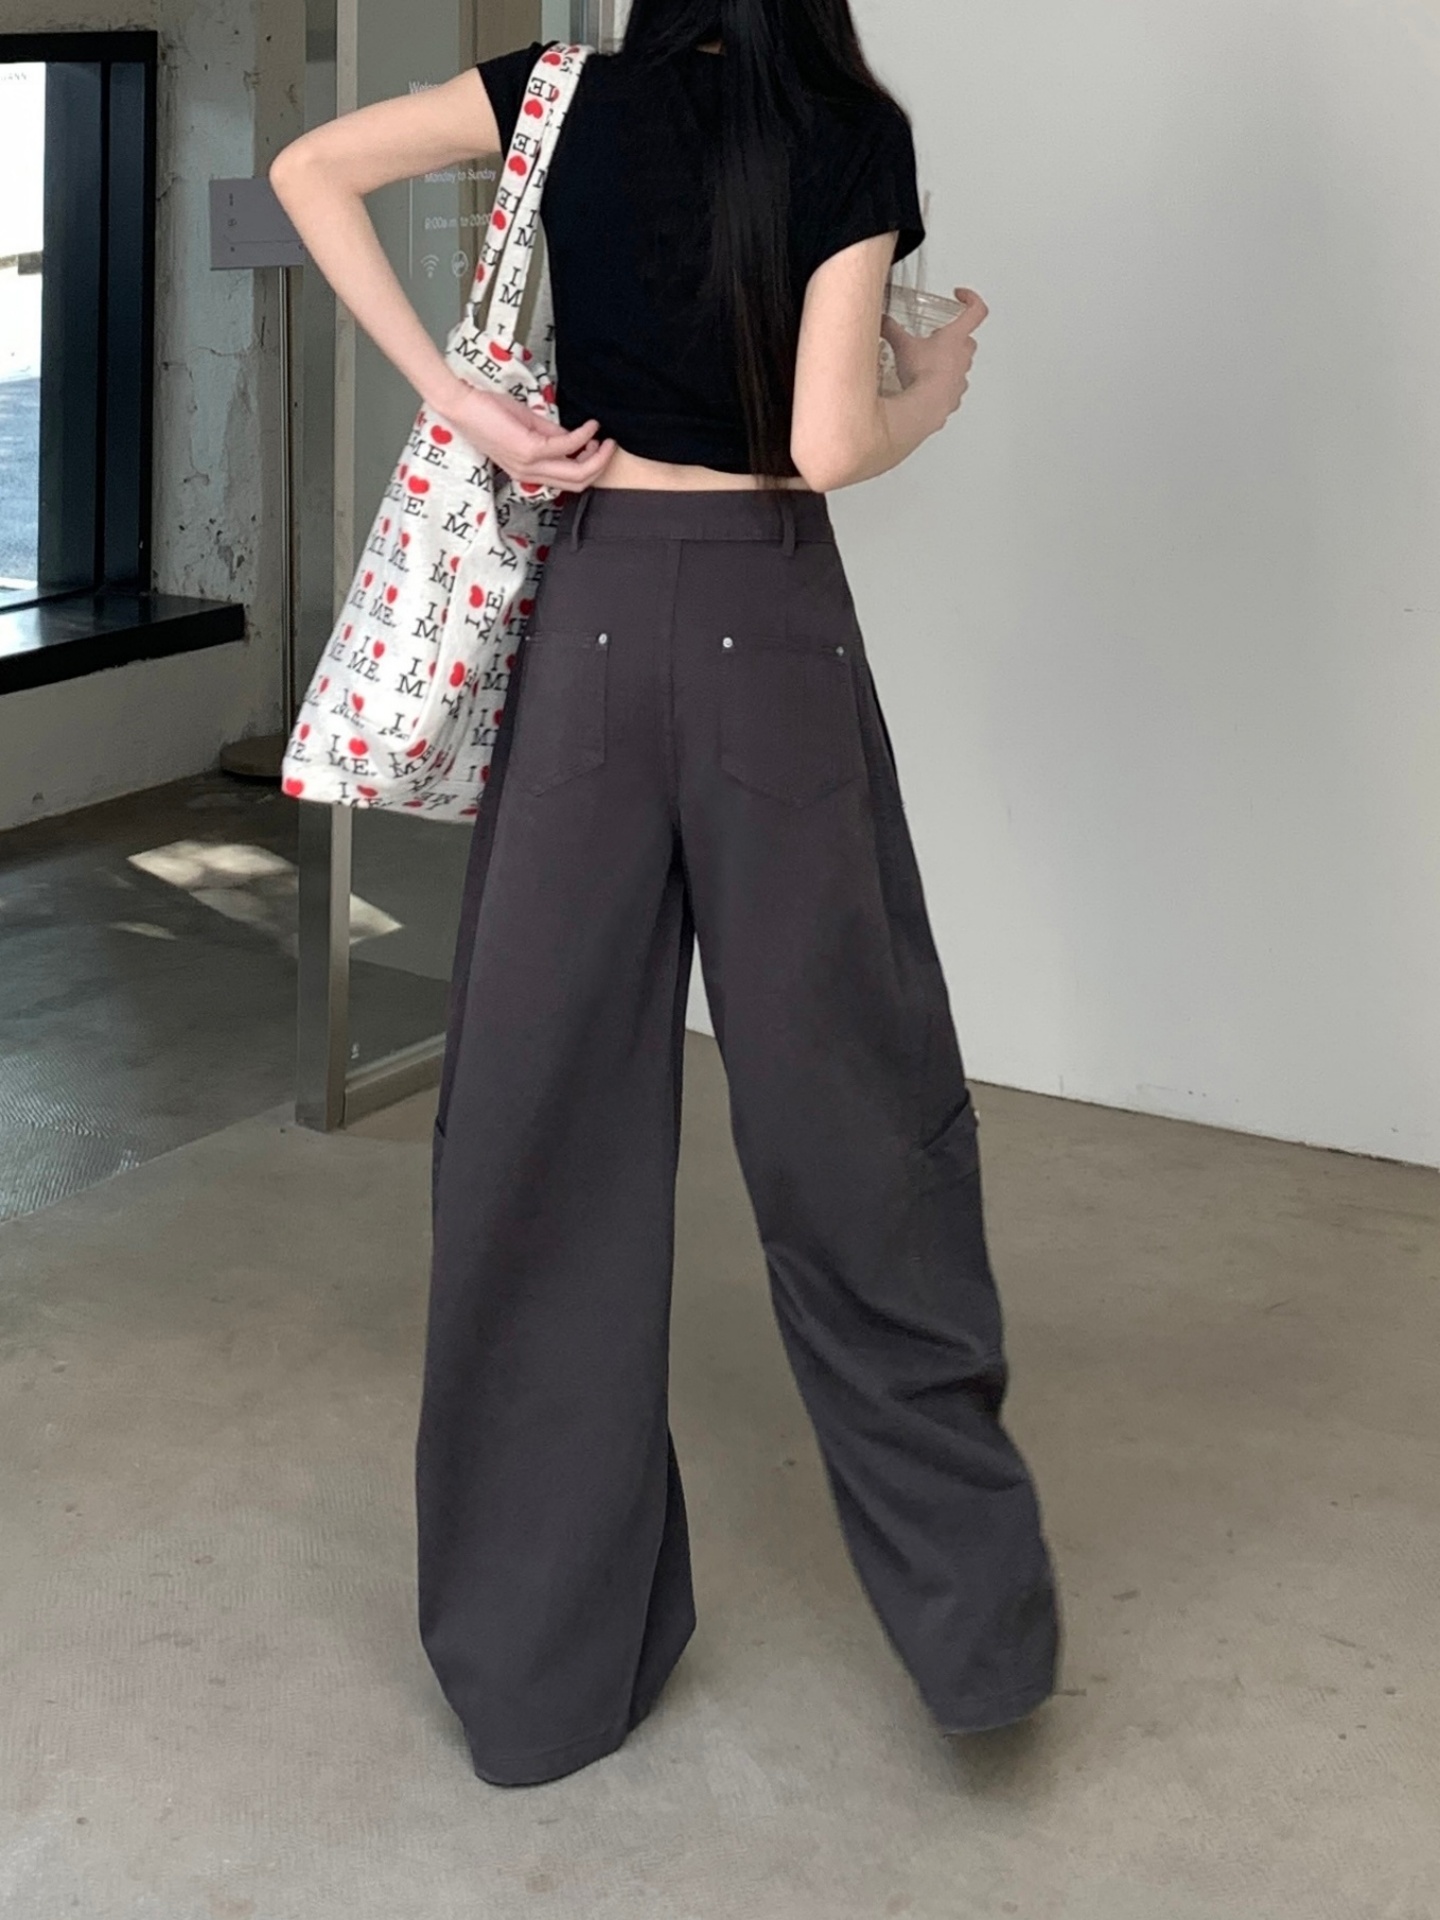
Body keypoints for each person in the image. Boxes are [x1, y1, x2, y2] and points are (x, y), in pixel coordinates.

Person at [269, 0, 1060, 1789]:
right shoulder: (846, 126)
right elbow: (829, 443)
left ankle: (536, 1686)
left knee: (537, 1133)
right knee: (857, 1126)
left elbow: (311, 167)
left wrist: (461, 398)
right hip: (770, 631)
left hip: (596, 629)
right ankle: (979, 1643)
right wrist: (934, 384)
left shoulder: (560, 96)